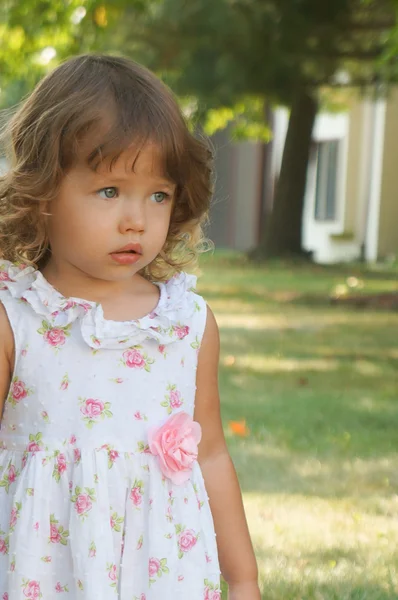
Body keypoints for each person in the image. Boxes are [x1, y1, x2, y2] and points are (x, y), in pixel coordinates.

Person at [0, 54, 260, 600]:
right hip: (44, 570)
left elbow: (210, 451)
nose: (136, 219)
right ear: (42, 191)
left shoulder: (185, 324)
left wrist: (243, 579)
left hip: (162, 572)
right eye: (110, 191)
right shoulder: (14, 319)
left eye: (158, 195)